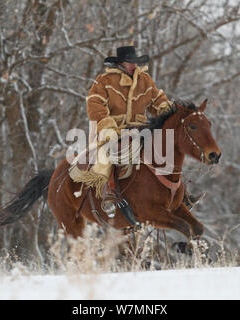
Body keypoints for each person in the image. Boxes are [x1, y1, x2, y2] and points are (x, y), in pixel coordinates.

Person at [70, 46, 172, 214]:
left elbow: (157, 100)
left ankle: (178, 193)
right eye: (129, 62)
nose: (133, 65)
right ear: (120, 64)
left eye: (134, 62)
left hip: (141, 130)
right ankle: (109, 192)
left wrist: (168, 110)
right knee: (111, 152)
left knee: (165, 148)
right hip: (112, 130)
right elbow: (94, 104)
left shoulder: (145, 80)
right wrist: (107, 125)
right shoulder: (104, 81)